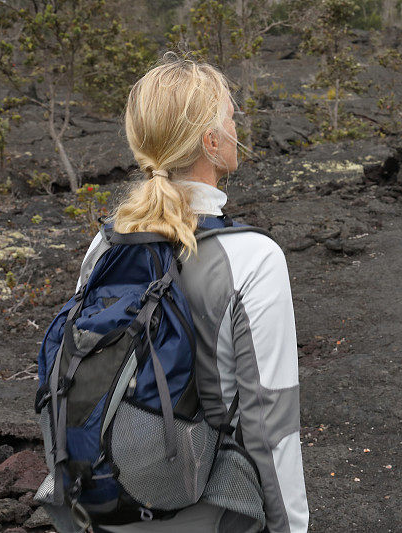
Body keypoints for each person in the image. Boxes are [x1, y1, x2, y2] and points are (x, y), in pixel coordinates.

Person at [66, 53, 309, 533]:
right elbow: (270, 426)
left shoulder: (105, 246)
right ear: (211, 142)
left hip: (106, 504)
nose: (237, 121)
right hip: (208, 509)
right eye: (228, 114)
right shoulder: (254, 259)